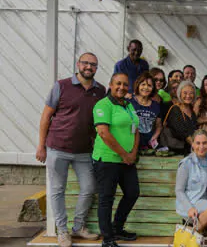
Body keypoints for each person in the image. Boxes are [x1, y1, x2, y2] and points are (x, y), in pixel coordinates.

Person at [36, 53, 105, 247]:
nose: (89, 67)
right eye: (85, 63)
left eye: (93, 64)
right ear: (78, 64)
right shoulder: (62, 85)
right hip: (57, 147)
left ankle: (78, 227)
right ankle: (63, 231)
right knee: (57, 190)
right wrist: (41, 145)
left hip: (84, 150)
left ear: (96, 68)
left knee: (90, 187)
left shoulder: (100, 91)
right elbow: (46, 116)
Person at [92, 73, 140, 246]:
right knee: (106, 198)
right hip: (107, 160)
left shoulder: (129, 105)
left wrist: (133, 153)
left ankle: (117, 228)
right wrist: (124, 154)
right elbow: (104, 133)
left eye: (125, 84)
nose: (122, 87)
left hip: (127, 161)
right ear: (110, 85)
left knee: (133, 193)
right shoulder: (103, 105)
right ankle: (108, 238)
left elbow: (135, 130)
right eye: (118, 83)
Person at [175, 130, 207, 233]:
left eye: (204, 143)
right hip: (192, 204)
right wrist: (189, 208)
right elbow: (179, 191)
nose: (201, 146)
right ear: (193, 144)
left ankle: (195, 229)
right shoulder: (186, 163)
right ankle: (199, 230)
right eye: (198, 143)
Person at [160, 81, 198, 155]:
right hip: (175, 151)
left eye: (191, 93)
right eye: (185, 93)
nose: (188, 96)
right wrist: (197, 146)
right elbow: (183, 132)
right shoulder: (175, 110)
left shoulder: (191, 110)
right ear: (179, 94)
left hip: (188, 150)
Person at [129, 72, 163, 151]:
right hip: (130, 144)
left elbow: (159, 125)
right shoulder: (129, 102)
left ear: (153, 88)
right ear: (138, 85)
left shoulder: (156, 106)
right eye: (143, 84)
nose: (146, 88)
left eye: (149, 85)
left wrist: (153, 138)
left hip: (147, 146)